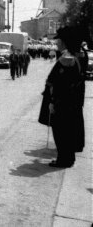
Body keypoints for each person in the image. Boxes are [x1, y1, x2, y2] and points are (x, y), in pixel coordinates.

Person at [44, 26, 85, 168]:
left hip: (63, 103)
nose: (56, 43)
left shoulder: (66, 59)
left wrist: (53, 101)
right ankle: (68, 158)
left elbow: (59, 84)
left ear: (64, 42)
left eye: (58, 41)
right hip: (70, 103)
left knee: (61, 132)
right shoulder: (72, 57)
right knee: (67, 130)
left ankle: (64, 159)